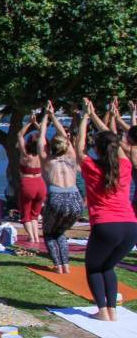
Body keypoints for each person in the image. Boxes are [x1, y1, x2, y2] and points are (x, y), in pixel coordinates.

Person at [75, 98, 137, 321]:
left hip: (106, 225)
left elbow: (78, 146)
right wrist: (95, 118)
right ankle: (112, 312)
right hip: (130, 227)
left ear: (97, 149)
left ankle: (102, 311)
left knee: (93, 267)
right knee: (108, 267)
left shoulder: (91, 167)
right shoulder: (126, 165)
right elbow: (116, 146)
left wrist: (85, 117)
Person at [39, 102, 84, 274]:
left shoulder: (47, 160)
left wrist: (45, 118)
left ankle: (58, 265)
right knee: (61, 231)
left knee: (50, 232)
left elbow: (41, 138)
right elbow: (63, 135)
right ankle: (66, 264)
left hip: (56, 197)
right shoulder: (71, 157)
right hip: (75, 198)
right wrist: (54, 116)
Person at [18, 116, 47, 245]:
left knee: (26, 213)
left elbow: (19, 135)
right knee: (35, 214)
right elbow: (43, 136)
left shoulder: (25, 154)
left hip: (28, 183)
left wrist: (29, 123)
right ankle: (36, 237)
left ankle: (32, 237)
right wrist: (37, 124)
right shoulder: (42, 154)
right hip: (40, 183)